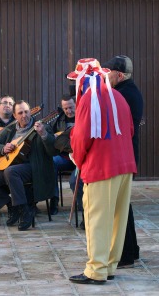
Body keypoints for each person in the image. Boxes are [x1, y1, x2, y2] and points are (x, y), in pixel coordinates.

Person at [67, 58, 136, 284]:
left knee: (97, 219)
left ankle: (96, 270)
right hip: (124, 166)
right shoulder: (119, 97)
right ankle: (109, 265)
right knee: (117, 218)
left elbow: (81, 136)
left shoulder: (89, 99)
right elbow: (130, 130)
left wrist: (77, 159)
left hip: (101, 167)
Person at [0, 100, 57, 231]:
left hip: (34, 168)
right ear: (14, 116)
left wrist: (44, 135)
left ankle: (24, 210)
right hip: (12, 166)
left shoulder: (42, 127)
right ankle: (11, 206)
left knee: (11, 171)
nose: (24, 115)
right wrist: (3, 149)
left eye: (26, 112)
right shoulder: (10, 129)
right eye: (20, 113)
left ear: (30, 112)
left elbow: (53, 151)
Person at [102, 55, 143, 268]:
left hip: (123, 156)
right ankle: (131, 251)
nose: (104, 76)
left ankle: (125, 255)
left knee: (120, 208)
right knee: (123, 205)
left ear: (118, 74)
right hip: (127, 156)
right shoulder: (128, 91)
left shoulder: (122, 94)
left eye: (107, 72)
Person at [50, 94, 76, 215]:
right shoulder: (59, 120)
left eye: (71, 107)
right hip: (66, 157)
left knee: (74, 180)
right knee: (52, 162)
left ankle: (81, 202)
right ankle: (54, 200)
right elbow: (51, 136)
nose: (68, 111)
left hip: (82, 158)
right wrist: (54, 137)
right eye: (65, 108)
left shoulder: (85, 117)